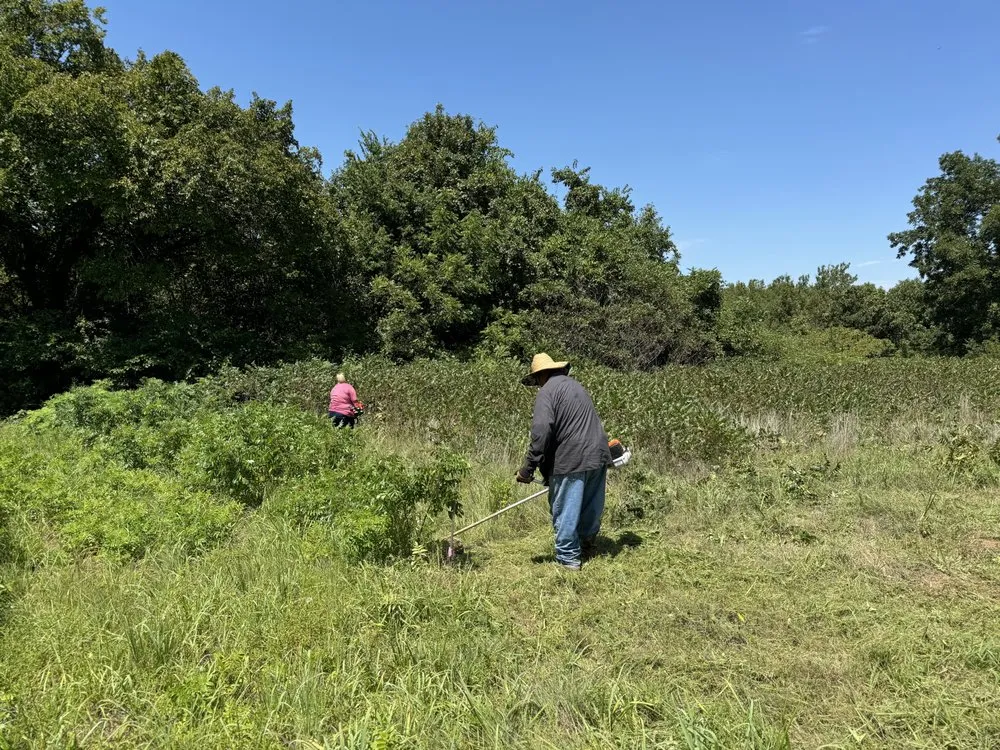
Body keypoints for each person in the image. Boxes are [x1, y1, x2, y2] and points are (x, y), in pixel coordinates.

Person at [516, 353, 611, 571]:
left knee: (566, 508)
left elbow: (541, 432)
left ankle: (568, 560)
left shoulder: (547, 392)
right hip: (597, 455)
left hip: (571, 458)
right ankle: (586, 547)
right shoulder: (576, 387)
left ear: (541, 375)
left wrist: (527, 469)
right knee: (590, 506)